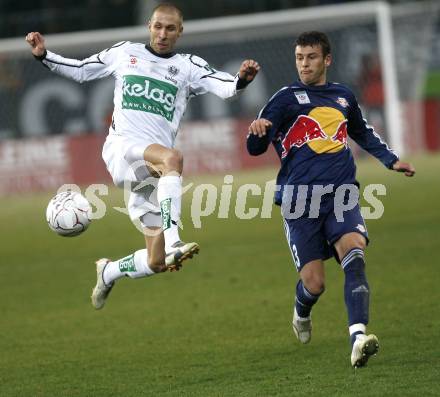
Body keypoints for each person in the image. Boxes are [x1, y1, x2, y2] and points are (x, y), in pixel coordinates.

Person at [26, 3, 259, 310]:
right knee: (173, 159)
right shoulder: (125, 52)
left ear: (180, 32)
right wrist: (45, 55)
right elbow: (82, 70)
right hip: (123, 149)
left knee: (157, 260)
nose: (163, 34)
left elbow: (227, 87)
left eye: (170, 28)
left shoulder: (189, 66)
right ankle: (175, 238)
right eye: (158, 26)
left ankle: (108, 272)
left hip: (150, 174)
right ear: (149, 25)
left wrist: (241, 78)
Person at [247, 31, 415, 368]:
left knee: (354, 253)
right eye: (299, 58)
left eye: (311, 57)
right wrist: (258, 131)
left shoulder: (342, 96)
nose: (304, 64)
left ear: (327, 60)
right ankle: (301, 310)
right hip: (299, 201)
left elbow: (361, 132)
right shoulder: (285, 98)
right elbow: (254, 147)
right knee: (314, 283)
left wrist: (389, 160)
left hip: (341, 194)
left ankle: (358, 337)